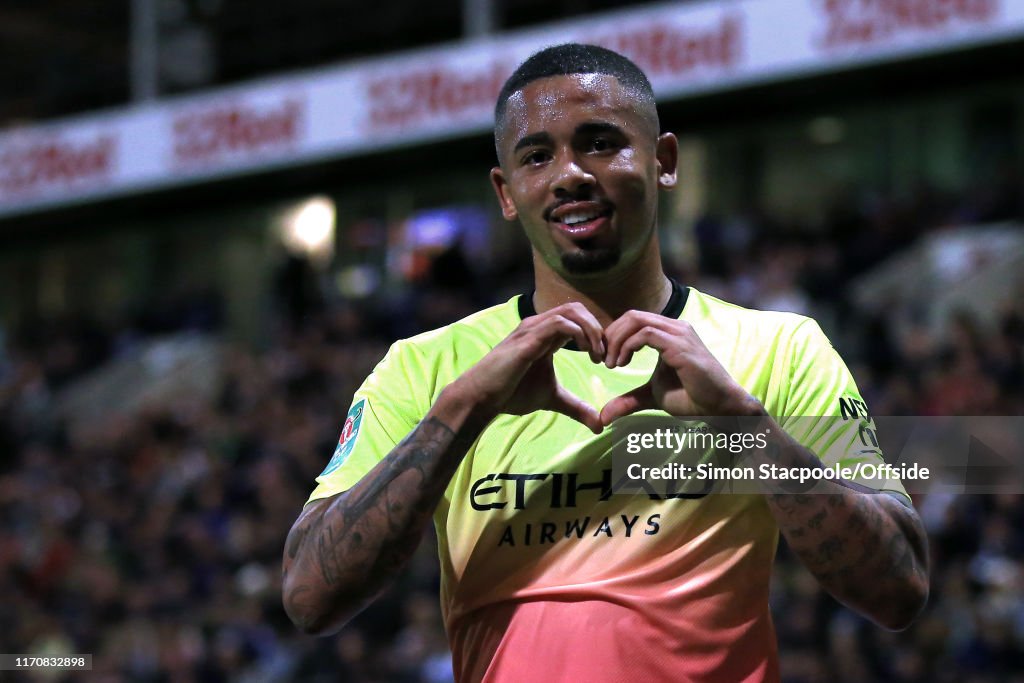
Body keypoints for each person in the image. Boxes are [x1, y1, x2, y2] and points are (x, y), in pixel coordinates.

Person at [282, 44, 929, 682]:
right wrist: (461, 411)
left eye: (599, 142)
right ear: (507, 192)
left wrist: (743, 424)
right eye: (538, 155)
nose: (570, 174)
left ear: (663, 160)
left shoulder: (778, 349)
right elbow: (310, 596)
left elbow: (899, 587)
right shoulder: (425, 369)